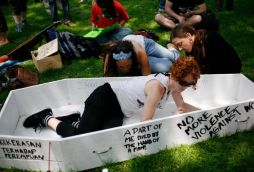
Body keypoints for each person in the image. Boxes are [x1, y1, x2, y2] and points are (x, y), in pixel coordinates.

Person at [23, 56, 200, 138]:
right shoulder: (158, 88)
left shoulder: (174, 85)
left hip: (119, 108)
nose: (186, 88)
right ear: (176, 76)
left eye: (190, 84)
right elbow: (146, 121)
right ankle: (46, 117)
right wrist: (174, 119)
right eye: (186, 83)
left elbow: (182, 105)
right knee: (80, 136)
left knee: (107, 137)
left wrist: (206, 112)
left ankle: (78, 119)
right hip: (104, 97)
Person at [170, 24, 241, 74]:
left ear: (189, 36)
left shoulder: (211, 39)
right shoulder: (191, 49)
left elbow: (224, 67)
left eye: (180, 44)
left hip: (230, 75)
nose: (180, 48)